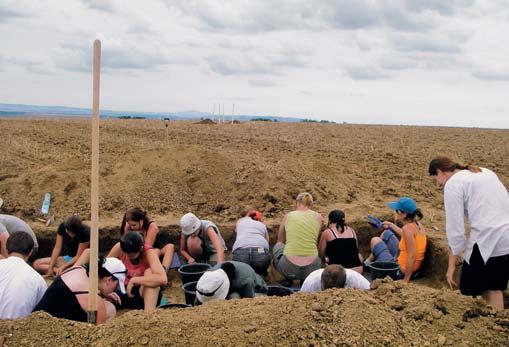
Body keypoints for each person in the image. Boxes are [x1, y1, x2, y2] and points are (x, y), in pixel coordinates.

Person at [429, 157, 509, 310]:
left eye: (436, 180)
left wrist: (451, 266)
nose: (438, 184)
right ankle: (494, 324)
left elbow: (455, 230)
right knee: (494, 287)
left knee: (469, 291)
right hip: (506, 236)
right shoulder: (484, 172)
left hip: (485, 239)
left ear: (440, 172)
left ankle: (472, 330)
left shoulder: (453, 184)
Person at [33, 255, 126, 324]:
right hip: (52, 332)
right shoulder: (95, 302)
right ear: (108, 280)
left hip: (35, 320)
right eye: (116, 285)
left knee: (106, 307)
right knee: (109, 309)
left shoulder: (77, 269)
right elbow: (98, 335)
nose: (115, 289)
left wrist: (102, 291)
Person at [367, 197, 427, 284]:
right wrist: (391, 225)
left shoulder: (407, 229)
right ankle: (370, 261)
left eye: (397, 211)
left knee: (375, 240)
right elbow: (408, 237)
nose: (396, 213)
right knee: (387, 232)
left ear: (404, 214)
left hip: (399, 271)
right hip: (411, 267)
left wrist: (406, 280)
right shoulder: (417, 224)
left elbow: (412, 256)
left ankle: (367, 264)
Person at [107, 231, 168, 311]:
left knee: (150, 272)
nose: (127, 258)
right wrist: (107, 292)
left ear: (141, 249)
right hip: (122, 291)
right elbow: (104, 268)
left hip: (142, 293)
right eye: (124, 254)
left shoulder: (148, 252)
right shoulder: (119, 247)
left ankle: (148, 314)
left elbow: (162, 279)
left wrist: (135, 280)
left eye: (131, 255)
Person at [272, 192, 322, 283]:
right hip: (312, 268)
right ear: (311, 204)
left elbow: (280, 239)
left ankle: (288, 278)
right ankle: (305, 280)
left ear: (297, 203)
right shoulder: (318, 217)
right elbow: (315, 239)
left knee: (279, 246)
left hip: (288, 268)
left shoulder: (289, 215)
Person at [0, 231, 47, 319]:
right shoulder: (38, 279)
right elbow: (43, 309)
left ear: (6, 249)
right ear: (30, 252)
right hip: (17, 329)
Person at [120, 208, 175, 272]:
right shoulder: (129, 227)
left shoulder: (151, 226)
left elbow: (147, 247)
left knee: (169, 247)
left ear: (141, 220)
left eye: (134, 225)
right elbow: (125, 242)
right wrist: (127, 228)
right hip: (135, 253)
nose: (132, 227)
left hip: (150, 252)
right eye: (130, 225)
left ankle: (164, 270)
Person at [195, 260, 268, 304]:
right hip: (233, 285)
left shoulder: (244, 281)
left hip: (256, 289)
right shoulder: (210, 274)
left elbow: (249, 302)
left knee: (235, 299)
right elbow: (201, 293)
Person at [232, 210, 270, 276]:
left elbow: (236, 230)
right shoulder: (262, 225)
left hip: (241, 253)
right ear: (259, 219)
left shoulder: (240, 222)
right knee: (260, 274)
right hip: (260, 252)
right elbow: (267, 241)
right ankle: (260, 279)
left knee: (242, 276)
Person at [300, 264, 370, 292]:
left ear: (345, 284)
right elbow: (300, 301)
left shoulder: (357, 281)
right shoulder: (311, 282)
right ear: (321, 282)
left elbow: (373, 294)